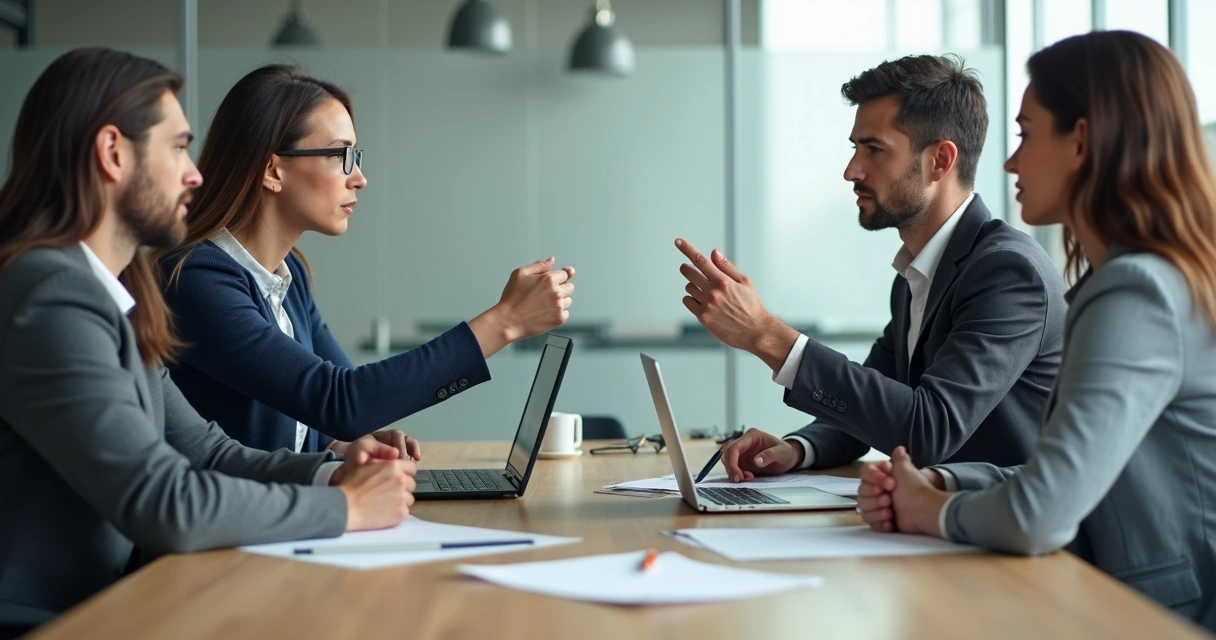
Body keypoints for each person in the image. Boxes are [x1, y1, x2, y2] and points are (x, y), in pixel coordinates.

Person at [0, 48, 416, 634]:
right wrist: (345, 508)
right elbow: (162, 500)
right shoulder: (50, 297)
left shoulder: (113, 294)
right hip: (55, 622)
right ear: (113, 153)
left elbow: (206, 453)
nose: (194, 173)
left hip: (119, 603)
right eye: (176, 148)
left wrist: (331, 475)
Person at [855, 31, 1216, 629]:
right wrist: (940, 482)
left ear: (1082, 141)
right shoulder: (1126, 282)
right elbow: (1058, 471)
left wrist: (932, 513)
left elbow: (1041, 513)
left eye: (1026, 134)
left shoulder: (1138, 293)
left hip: (1164, 614)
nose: (1009, 160)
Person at [675, 55, 1067, 479]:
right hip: (935, 525)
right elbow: (879, 408)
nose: (851, 171)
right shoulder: (917, 276)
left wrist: (767, 336)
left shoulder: (1007, 272)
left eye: (874, 149)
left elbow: (928, 428)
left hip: (1005, 535)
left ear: (940, 160)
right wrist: (796, 448)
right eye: (855, 148)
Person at [155, 64, 575, 456]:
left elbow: (335, 411)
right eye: (342, 156)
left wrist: (346, 443)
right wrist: (505, 322)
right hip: (227, 534)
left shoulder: (291, 275)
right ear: (273, 171)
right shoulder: (195, 280)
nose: (359, 177)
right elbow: (340, 400)